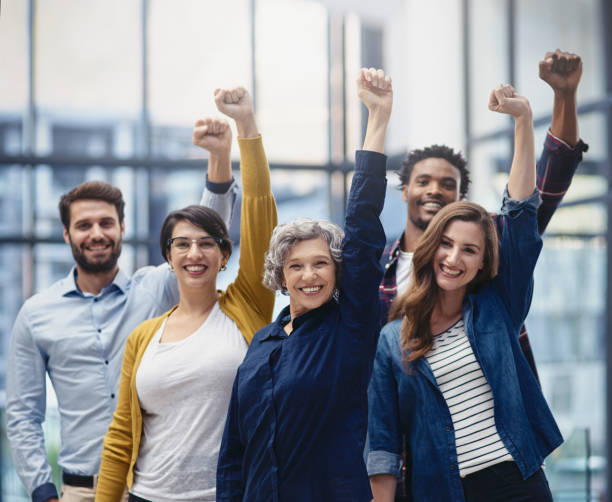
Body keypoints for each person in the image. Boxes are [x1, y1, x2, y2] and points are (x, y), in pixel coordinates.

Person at [6, 115, 237, 501]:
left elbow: (202, 233)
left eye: (106, 223)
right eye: (84, 225)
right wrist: (45, 493)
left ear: (122, 228)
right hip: (80, 490)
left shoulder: (155, 288)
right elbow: (22, 415)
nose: (96, 233)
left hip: (148, 487)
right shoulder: (36, 313)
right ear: (67, 234)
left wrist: (218, 157)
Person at [368, 84, 560, 501]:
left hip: (517, 484)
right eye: (446, 244)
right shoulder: (392, 339)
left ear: (482, 263)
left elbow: (522, 217)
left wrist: (523, 121)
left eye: (469, 250)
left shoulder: (497, 307)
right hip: (440, 489)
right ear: (430, 248)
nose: (454, 258)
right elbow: (382, 439)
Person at [216, 68, 391, 502]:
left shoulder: (349, 327)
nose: (309, 275)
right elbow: (234, 452)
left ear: (337, 272)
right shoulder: (262, 343)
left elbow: (364, 230)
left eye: (320, 264)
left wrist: (378, 119)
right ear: (281, 275)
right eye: (296, 266)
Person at [94, 88, 277, 502]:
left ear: (224, 254)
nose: (194, 252)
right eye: (182, 244)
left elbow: (260, 210)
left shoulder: (246, 306)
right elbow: (122, 435)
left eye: (206, 243)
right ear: (168, 256)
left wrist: (246, 125)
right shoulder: (145, 337)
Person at [379, 49, 587, 381]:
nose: (434, 190)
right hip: (413, 418)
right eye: (423, 181)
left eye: (447, 184)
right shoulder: (377, 266)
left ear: (459, 197)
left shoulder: (489, 238)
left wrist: (564, 95)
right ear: (405, 191)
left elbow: (544, 188)